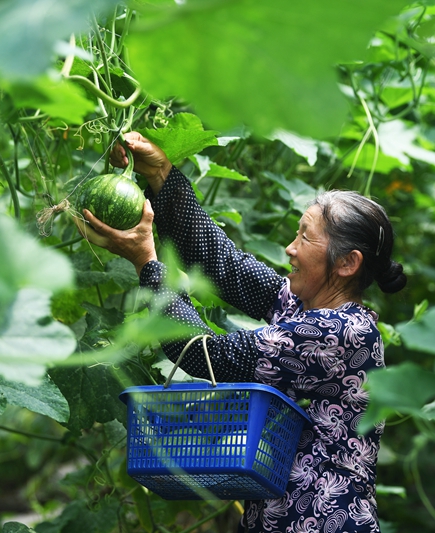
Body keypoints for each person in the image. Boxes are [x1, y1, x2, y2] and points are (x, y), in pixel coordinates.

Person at [79, 131, 407, 533]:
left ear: (346, 264)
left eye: (304, 236)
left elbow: (202, 354)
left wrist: (148, 262)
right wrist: (161, 173)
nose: (290, 247)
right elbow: (223, 265)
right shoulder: (306, 306)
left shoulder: (337, 334)